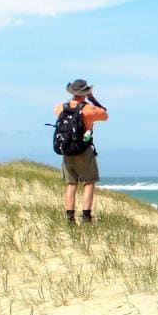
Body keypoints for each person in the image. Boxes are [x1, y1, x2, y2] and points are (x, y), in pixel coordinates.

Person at [53, 79, 108, 224]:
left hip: (66, 150)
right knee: (89, 183)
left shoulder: (60, 108)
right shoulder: (89, 109)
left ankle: (70, 219)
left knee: (71, 184)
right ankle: (86, 217)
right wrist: (92, 98)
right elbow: (105, 114)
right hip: (83, 150)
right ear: (85, 93)